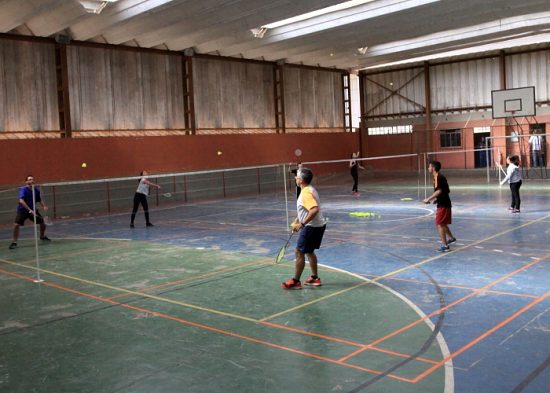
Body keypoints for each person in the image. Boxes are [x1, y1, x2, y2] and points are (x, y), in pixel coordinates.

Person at [282, 168, 326, 289]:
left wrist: (301, 224)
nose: (295, 178)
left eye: (296, 177)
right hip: (318, 225)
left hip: (310, 227)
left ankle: (296, 281)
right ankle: (314, 278)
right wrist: (297, 220)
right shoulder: (310, 189)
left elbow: (314, 210)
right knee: (309, 251)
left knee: (299, 251)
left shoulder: (305, 193)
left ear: (300, 180)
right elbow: (306, 209)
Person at [423, 161, 456, 252]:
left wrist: (428, 199)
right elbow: (446, 190)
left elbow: (439, 191)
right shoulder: (437, 177)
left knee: (440, 225)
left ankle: (445, 246)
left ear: (433, 168)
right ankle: (452, 238)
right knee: (443, 224)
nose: (428, 168)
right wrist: (437, 199)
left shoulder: (439, 177)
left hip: (444, 205)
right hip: (444, 203)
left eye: (429, 167)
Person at [9, 175, 50, 249]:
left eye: (32, 179)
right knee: (16, 225)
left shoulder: (36, 190)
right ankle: (14, 242)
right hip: (23, 211)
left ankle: (42, 236)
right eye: (30, 179)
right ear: (27, 181)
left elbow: (39, 199)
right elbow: (21, 201)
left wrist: (44, 206)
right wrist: (29, 210)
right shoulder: (23, 189)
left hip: (33, 210)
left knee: (42, 223)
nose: (32, 180)